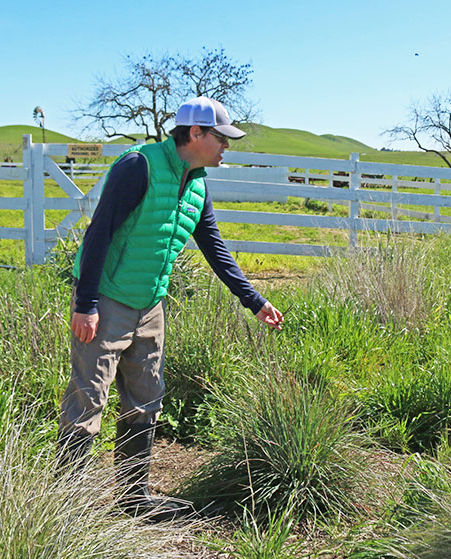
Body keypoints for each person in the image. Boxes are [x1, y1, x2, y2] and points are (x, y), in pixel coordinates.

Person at [56, 96, 284, 521]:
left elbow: (214, 246)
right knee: (88, 401)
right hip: (106, 299)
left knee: (146, 399)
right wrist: (86, 303)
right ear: (195, 134)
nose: (226, 147)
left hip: (150, 303)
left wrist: (254, 300)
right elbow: (99, 233)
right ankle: (64, 509)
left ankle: (132, 498)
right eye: (222, 138)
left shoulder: (196, 183)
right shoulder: (138, 166)